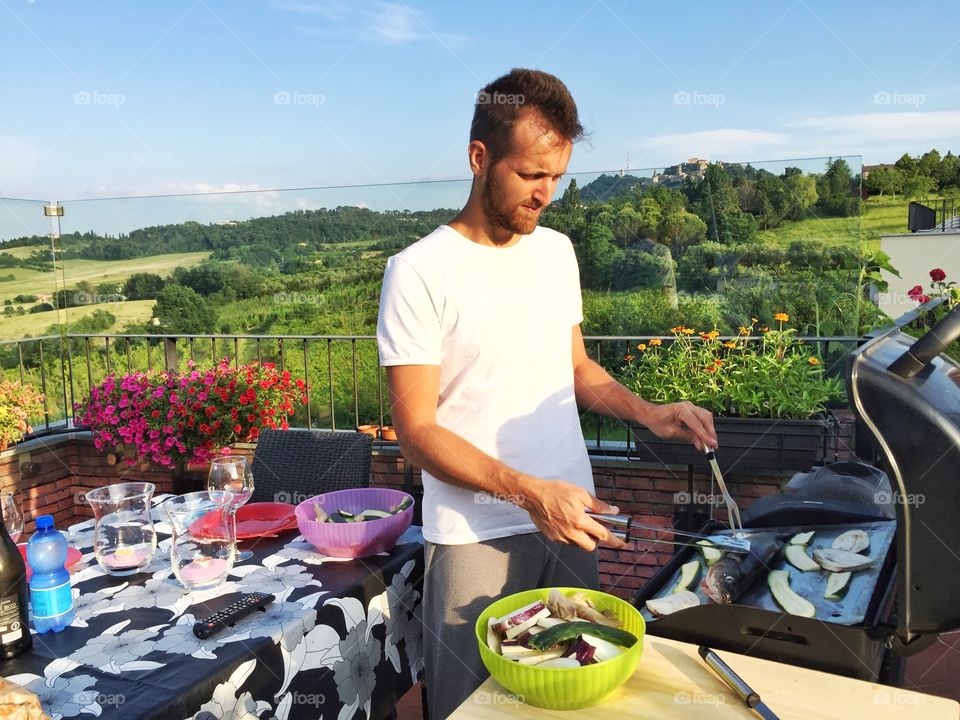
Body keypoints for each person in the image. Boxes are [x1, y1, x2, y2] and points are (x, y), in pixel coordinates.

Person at [377, 68, 717, 719]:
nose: (546, 195)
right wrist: (529, 492)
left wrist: (651, 413)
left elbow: (579, 370)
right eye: (532, 174)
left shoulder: (555, 252)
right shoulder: (418, 271)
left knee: (574, 698)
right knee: (469, 708)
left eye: (556, 177)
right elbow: (416, 432)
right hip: (475, 536)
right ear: (479, 157)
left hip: (569, 522)